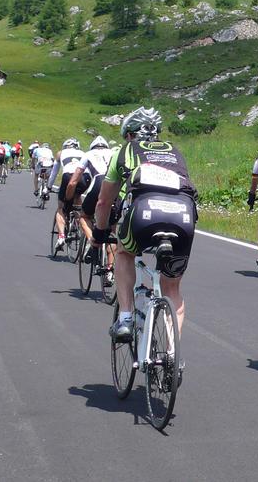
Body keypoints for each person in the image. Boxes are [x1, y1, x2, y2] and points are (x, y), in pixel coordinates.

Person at [91, 108, 197, 343]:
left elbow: (103, 201)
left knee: (124, 252)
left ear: (130, 134)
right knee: (172, 289)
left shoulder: (124, 151)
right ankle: (172, 354)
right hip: (183, 215)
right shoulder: (175, 151)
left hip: (144, 213)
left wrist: (98, 233)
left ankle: (126, 318)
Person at [74, 136, 115, 260]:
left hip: (99, 182)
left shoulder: (88, 154)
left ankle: (93, 243)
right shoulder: (114, 152)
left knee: (84, 216)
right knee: (112, 228)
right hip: (115, 186)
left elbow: (76, 176)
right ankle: (110, 271)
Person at [51, 138, 85, 254]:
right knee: (77, 197)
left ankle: (61, 237)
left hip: (68, 177)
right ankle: (78, 224)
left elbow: (54, 172)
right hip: (83, 179)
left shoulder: (61, 153)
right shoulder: (83, 153)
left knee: (61, 208)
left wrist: (49, 187)